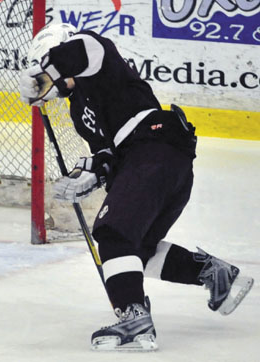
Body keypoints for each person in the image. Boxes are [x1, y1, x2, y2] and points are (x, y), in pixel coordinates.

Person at [18, 23, 254, 351]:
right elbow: (107, 153)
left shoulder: (98, 64)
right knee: (137, 248)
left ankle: (133, 318)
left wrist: (46, 71)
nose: (49, 84)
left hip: (154, 147)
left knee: (113, 233)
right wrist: (92, 172)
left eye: (48, 68)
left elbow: (88, 46)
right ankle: (213, 274)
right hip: (162, 161)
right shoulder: (77, 107)